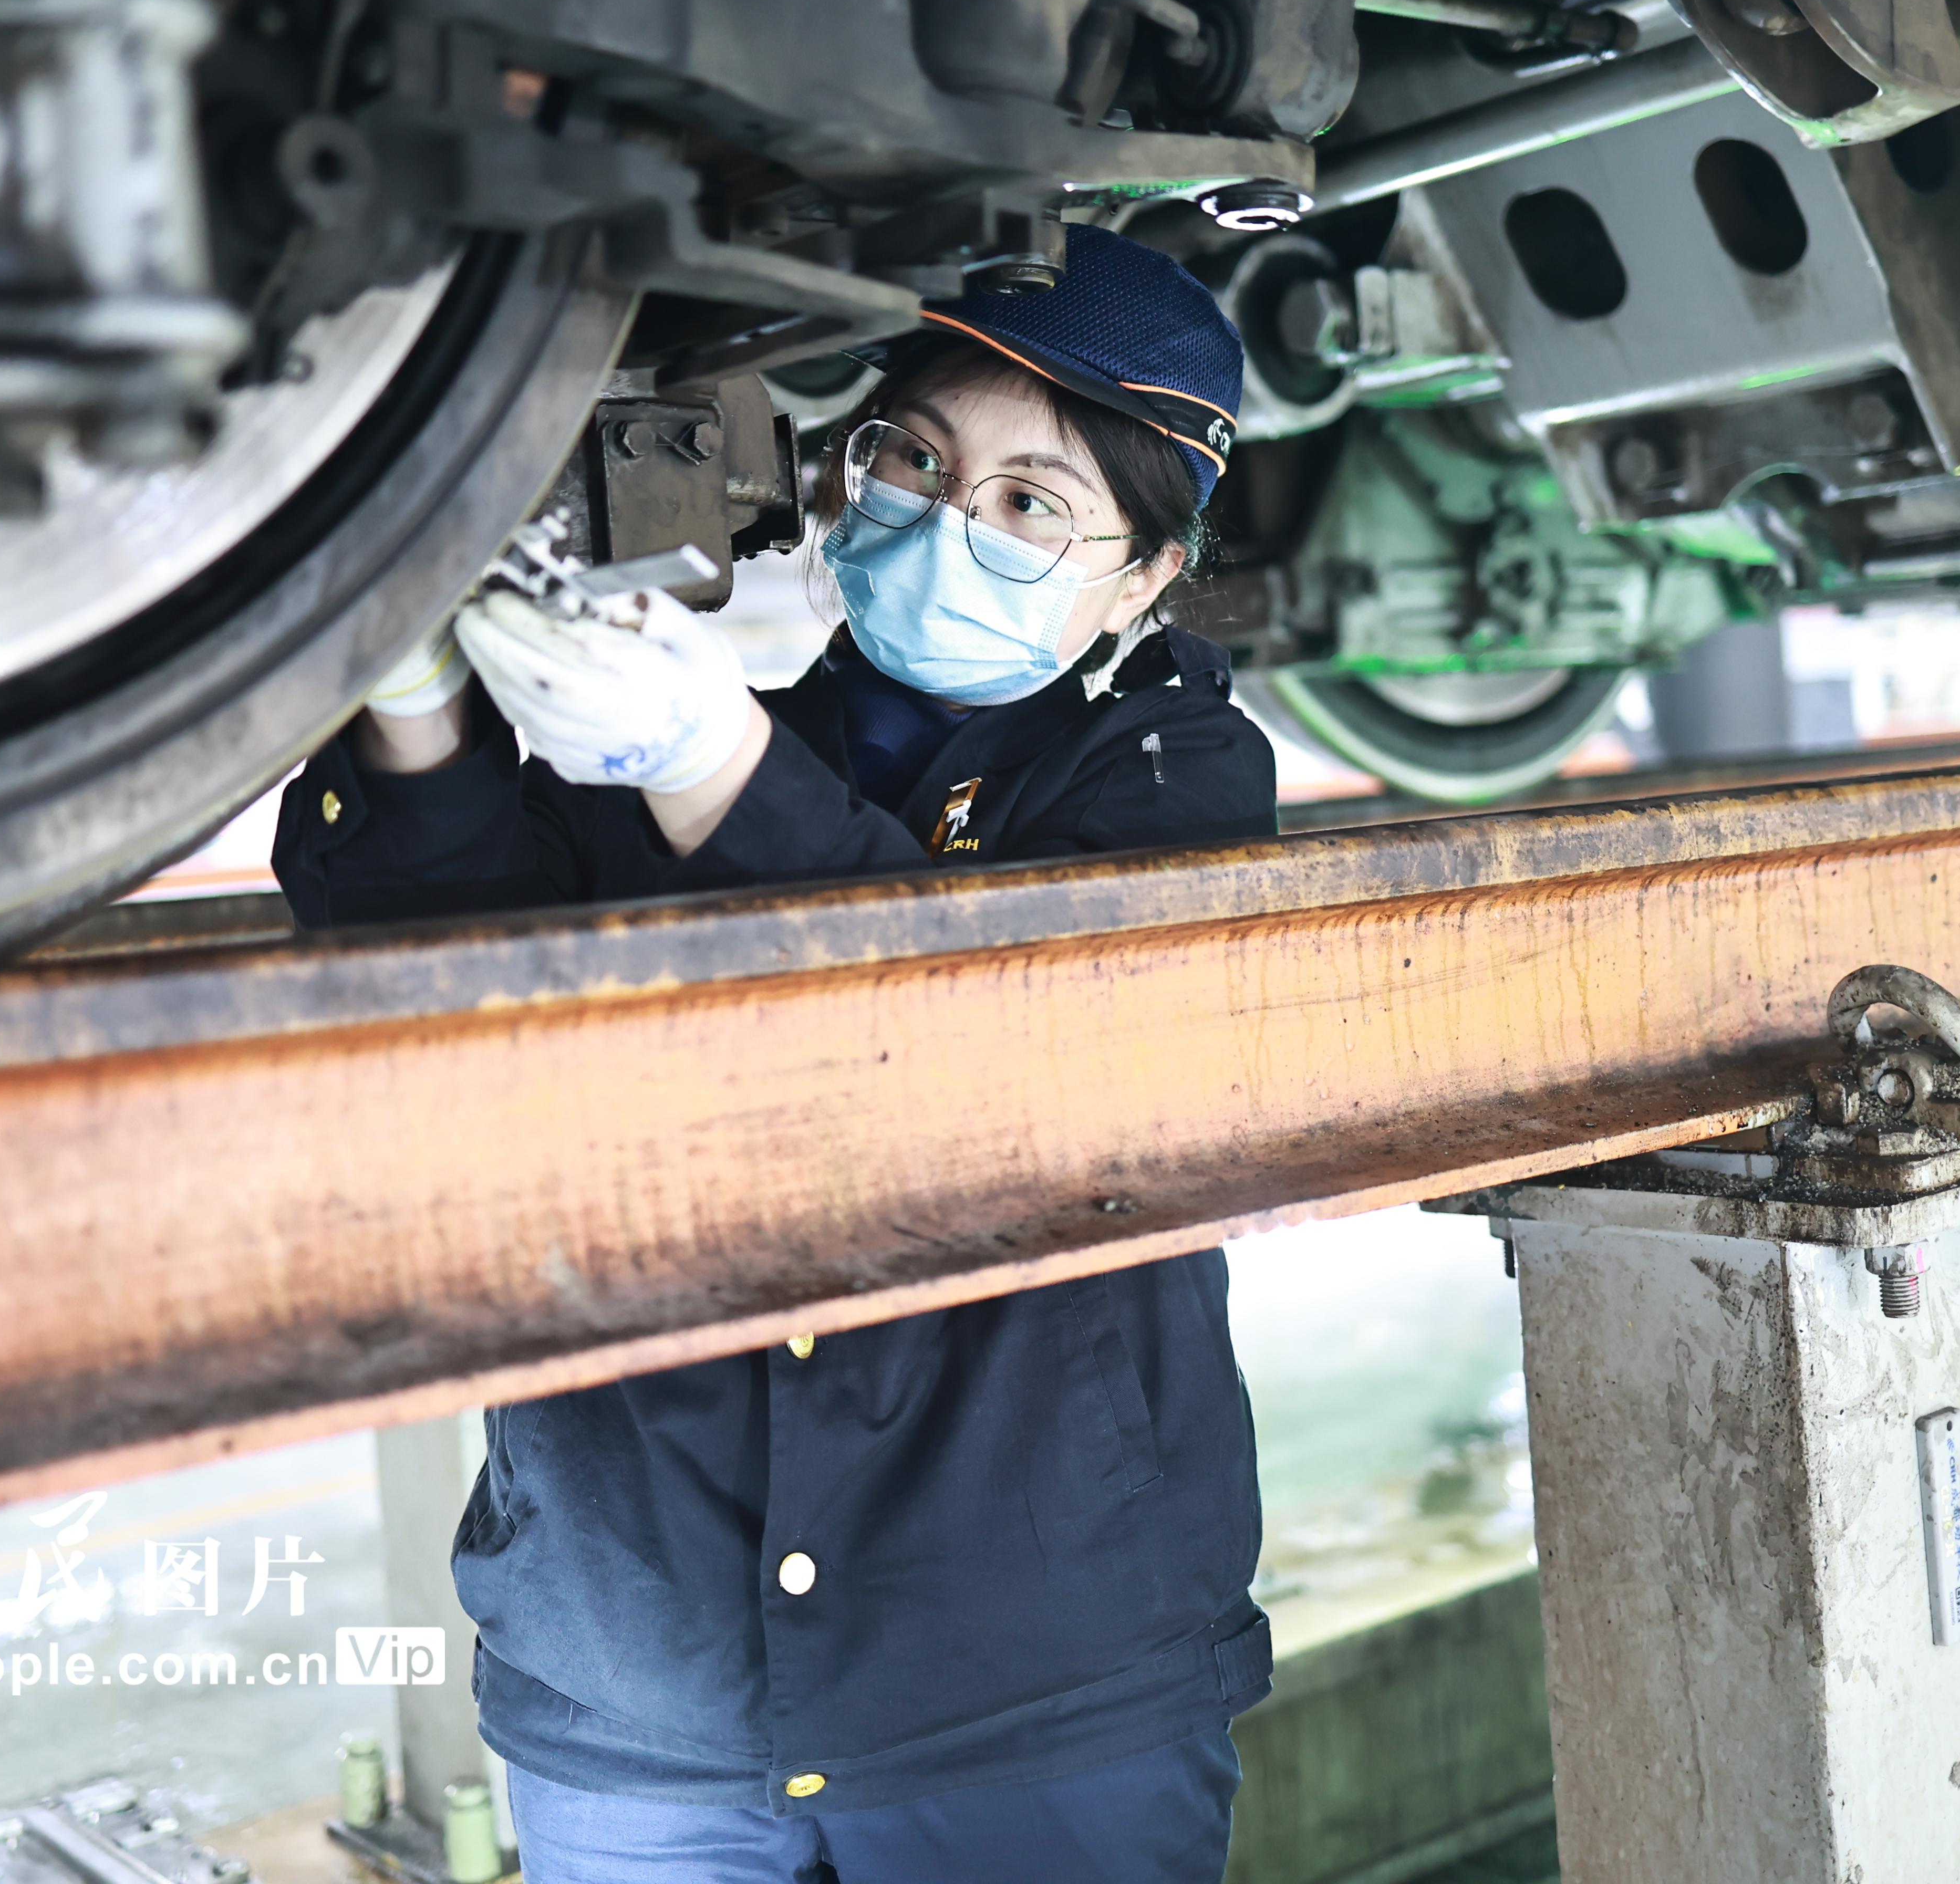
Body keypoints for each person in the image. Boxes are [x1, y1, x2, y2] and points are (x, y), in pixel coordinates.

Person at [272, 225, 1278, 1883]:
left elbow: (994, 1051)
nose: (947, 521)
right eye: (916, 458)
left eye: (1032, 504)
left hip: (1026, 1690)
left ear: (1146, 576)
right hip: (639, 1678)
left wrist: (707, 761)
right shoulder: (692, 740)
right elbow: (433, 975)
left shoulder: (1170, 784)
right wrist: (411, 688)